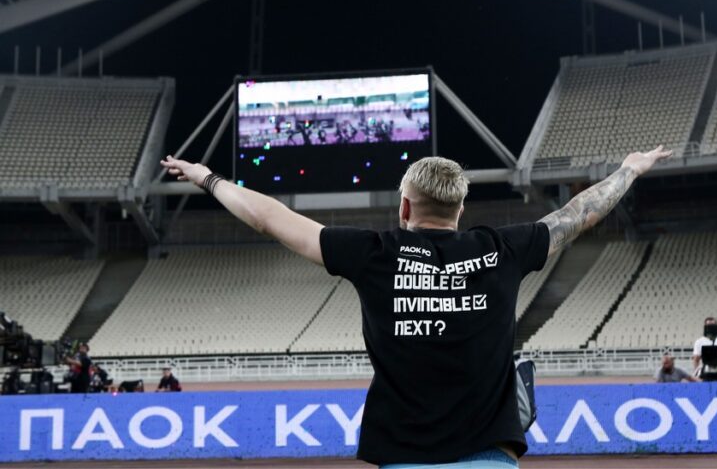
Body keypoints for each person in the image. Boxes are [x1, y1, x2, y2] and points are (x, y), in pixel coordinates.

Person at [160, 145, 671, 467]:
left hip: (403, 456)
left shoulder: (373, 254)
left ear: (404, 206)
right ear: (460, 208)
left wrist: (208, 177)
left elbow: (267, 217)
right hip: (489, 458)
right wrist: (629, 170)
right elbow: (578, 214)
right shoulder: (503, 249)